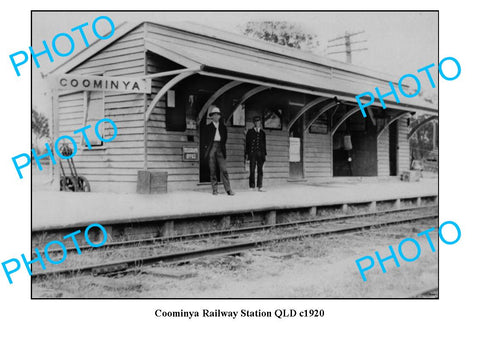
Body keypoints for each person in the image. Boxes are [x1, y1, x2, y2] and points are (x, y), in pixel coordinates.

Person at [202, 106, 234, 196]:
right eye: (214, 115)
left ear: (219, 116)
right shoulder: (208, 127)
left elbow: (225, 139)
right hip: (212, 148)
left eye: (218, 115)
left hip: (220, 148)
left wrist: (221, 147)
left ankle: (228, 189)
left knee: (224, 170)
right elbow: (205, 140)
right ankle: (215, 189)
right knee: (213, 170)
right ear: (212, 117)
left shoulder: (223, 127)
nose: (216, 117)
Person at [245, 116, 267, 191]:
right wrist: (247, 154)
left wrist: (264, 155)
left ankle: (260, 186)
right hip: (252, 154)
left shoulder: (263, 133)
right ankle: (251, 186)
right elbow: (247, 144)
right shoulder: (250, 132)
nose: (258, 123)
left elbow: (264, 145)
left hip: (260, 154)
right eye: (256, 122)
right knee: (252, 169)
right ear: (254, 123)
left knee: (260, 170)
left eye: (259, 122)